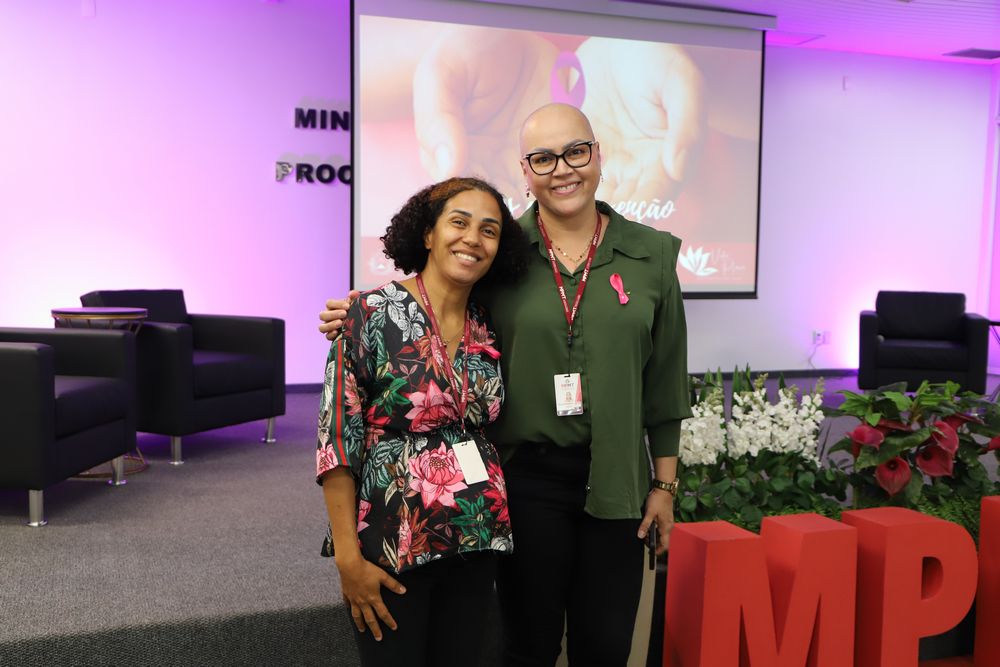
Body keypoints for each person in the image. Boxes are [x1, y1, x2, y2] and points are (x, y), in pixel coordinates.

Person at [321, 104, 692, 666]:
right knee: (527, 647)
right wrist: (362, 309)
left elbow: (664, 382)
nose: (562, 169)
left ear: (597, 155)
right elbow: (435, 294)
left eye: (576, 152)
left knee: (605, 646)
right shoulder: (504, 254)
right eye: (543, 158)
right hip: (521, 485)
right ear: (526, 170)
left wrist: (664, 485)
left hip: (614, 481)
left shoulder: (651, 254)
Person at [316, 177, 528, 667]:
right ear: (428, 234)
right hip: (393, 543)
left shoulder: (487, 324)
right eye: (459, 222)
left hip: (475, 539)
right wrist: (348, 559)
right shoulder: (368, 314)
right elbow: (336, 443)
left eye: (489, 230)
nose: (473, 238)